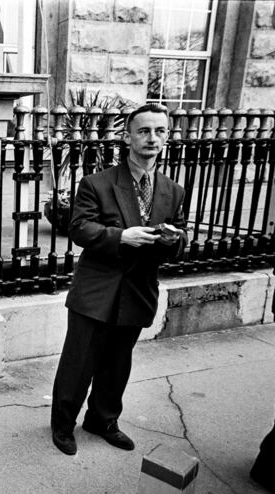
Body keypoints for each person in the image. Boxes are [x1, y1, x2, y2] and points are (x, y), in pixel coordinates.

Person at [50, 103, 187, 456]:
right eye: (143, 131)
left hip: (137, 291)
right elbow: (79, 227)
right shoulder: (98, 183)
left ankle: (102, 419)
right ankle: (63, 426)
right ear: (127, 137)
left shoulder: (173, 191)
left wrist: (174, 240)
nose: (152, 138)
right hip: (97, 291)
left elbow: (179, 238)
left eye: (159, 131)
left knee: (116, 365)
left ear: (167, 137)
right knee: (78, 364)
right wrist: (120, 237)